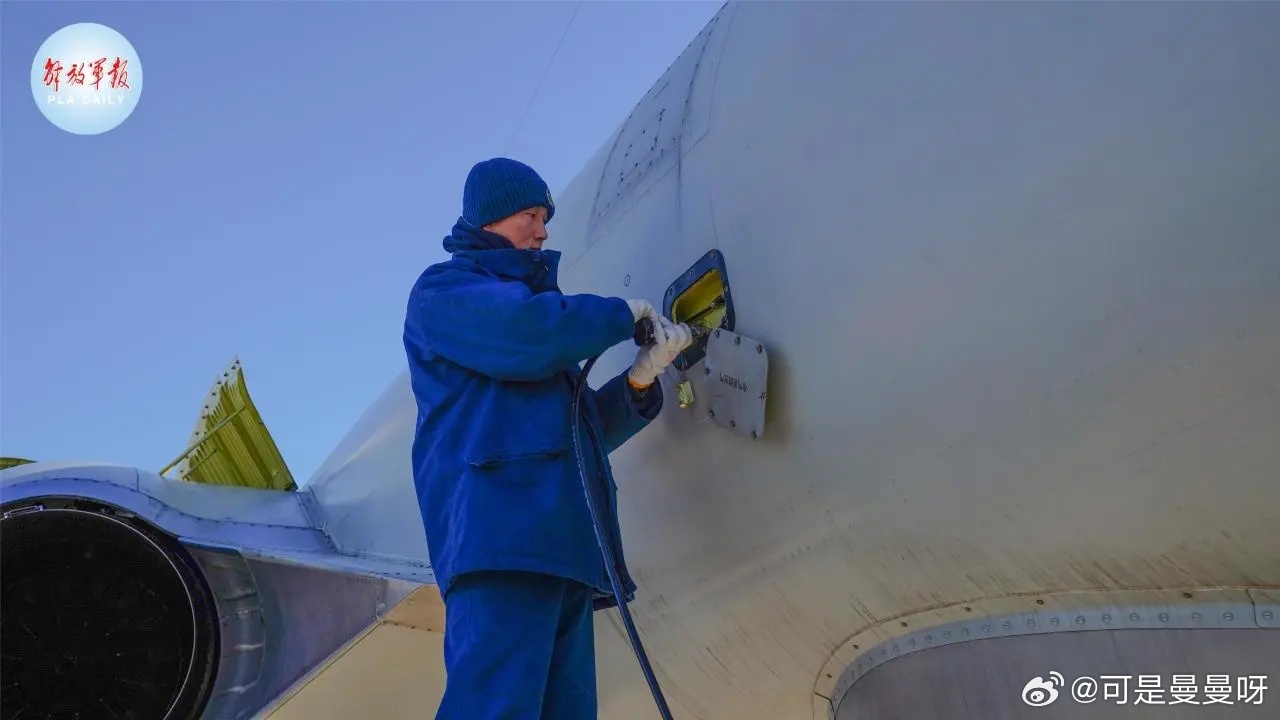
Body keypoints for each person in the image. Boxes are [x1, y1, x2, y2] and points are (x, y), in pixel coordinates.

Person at [403, 157, 693, 720]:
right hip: (504, 541)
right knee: (496, 708)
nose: (542, 230)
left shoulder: (537, 331)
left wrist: (637, 382)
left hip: (565, 549)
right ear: (490, 218)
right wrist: (614, 316)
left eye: (545, 217)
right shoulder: (446, 292)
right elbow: (525, 332)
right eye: (531, 215)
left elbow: (570, 440)